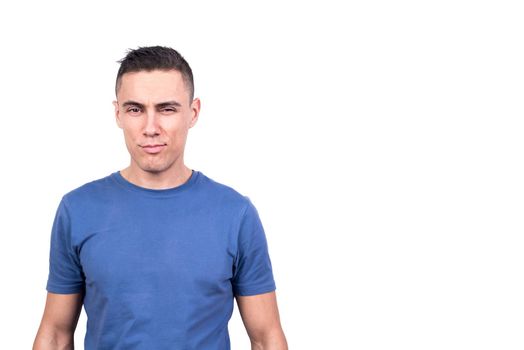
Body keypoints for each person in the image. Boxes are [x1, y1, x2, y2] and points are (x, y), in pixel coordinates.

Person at [33, 46, 288, 350]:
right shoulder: (77, 210)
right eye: (135, 109)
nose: (150, 128)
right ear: (118, 114)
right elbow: (56, 334)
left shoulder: (235, 214)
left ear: (193, 113)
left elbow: (265, 338)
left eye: (167, 109)